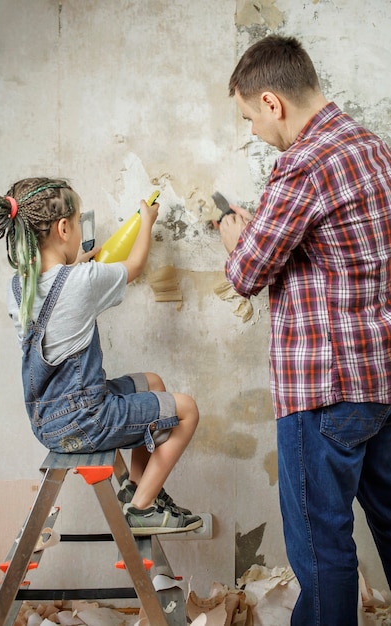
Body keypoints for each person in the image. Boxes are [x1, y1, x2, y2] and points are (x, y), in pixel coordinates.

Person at [219, 35, 391, 626]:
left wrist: (235, 237)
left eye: (249, 117)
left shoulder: (303, 163)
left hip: (322, 389)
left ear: (272, 102)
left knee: (322, 552)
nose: (253, 132)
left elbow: (246, 273)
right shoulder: (373, 148)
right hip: (379, 380)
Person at [0, 177, 202, 536]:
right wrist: (146, 222)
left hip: (47, 421)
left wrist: (83, 263)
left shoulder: (19, 286)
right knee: (187, 409)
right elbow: (135, 265)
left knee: (153, 383)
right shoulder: (82, 281)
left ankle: (134, 487)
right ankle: (142, 508)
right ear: (64, 227)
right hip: (88, 420)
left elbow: (61, 285)